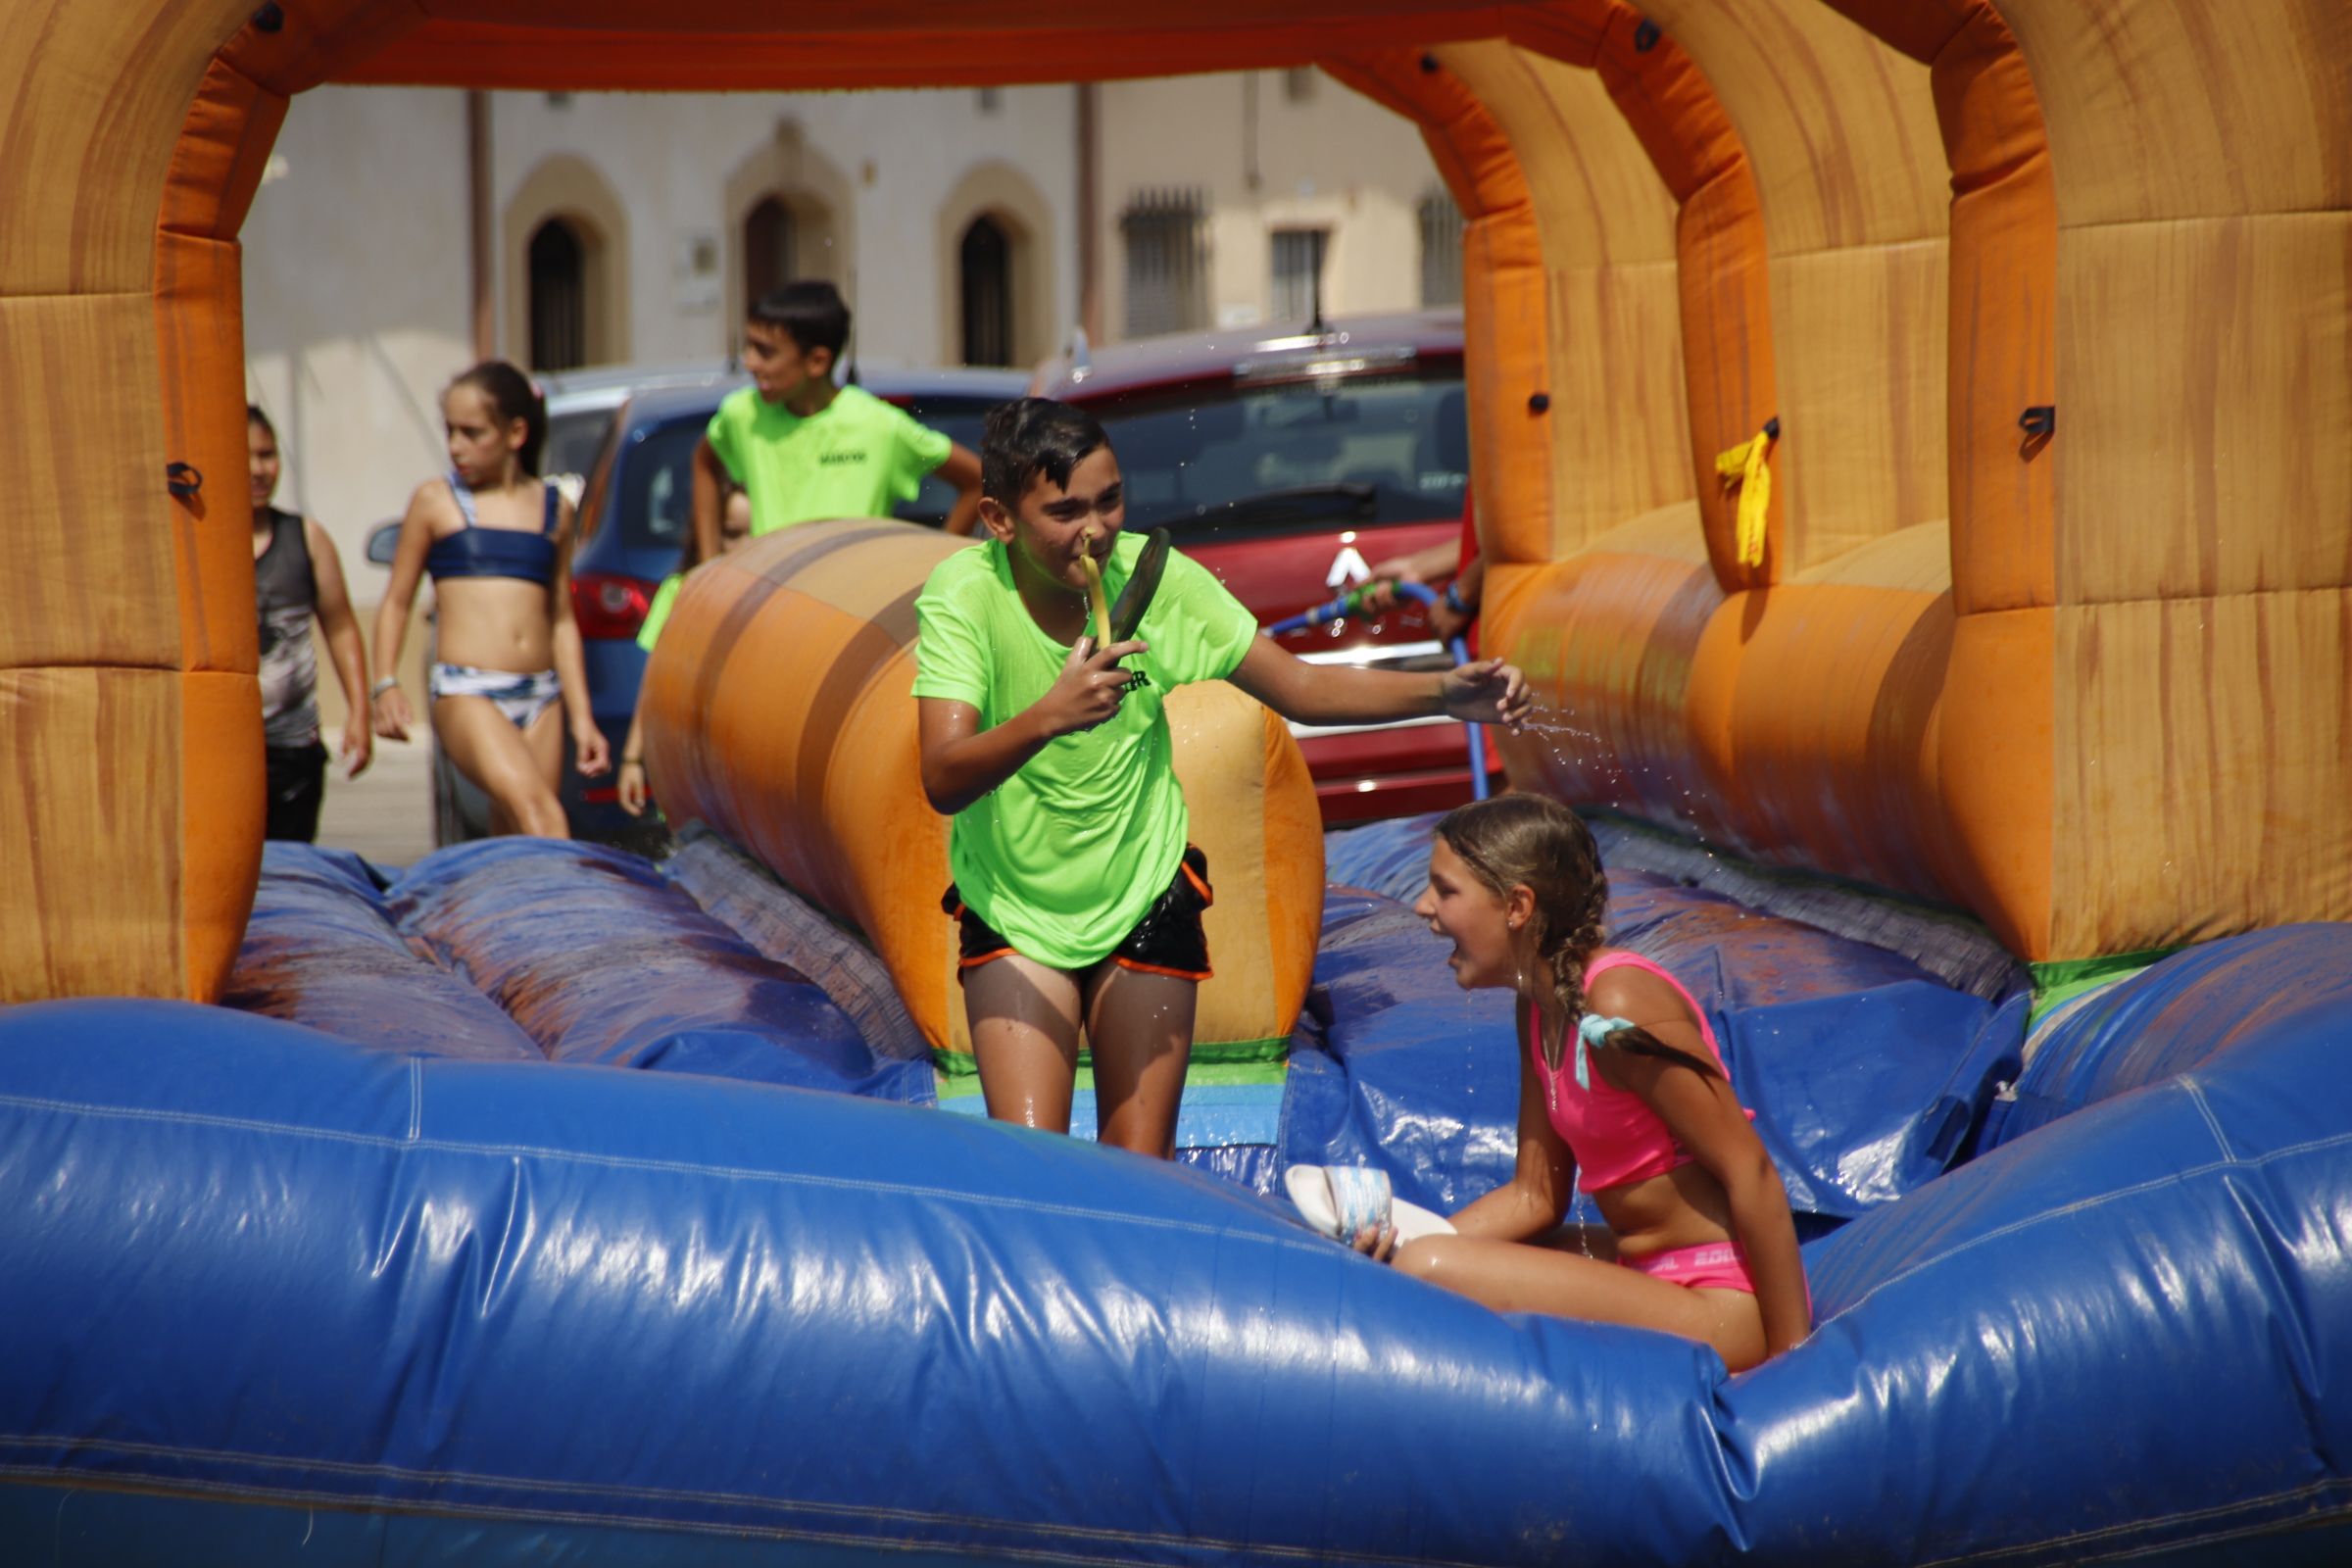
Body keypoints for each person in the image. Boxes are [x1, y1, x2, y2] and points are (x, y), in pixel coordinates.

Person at [913, 398, 1532, 1158]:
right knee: (1042, 1174)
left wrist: (1443, 694)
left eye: (1109, 501)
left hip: (1141, 887)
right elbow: (942, 776)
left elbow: (1302, 687)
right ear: (1000, 520)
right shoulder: (965, 595)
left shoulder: (1156, 578)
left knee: (1140, 1173)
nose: (1097, 529)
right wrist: (1050, 714)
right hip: (1015, 908)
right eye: (1065, 511)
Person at [1370, 794, 1808, 1371]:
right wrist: (1398, 1239)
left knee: (1429, 1269)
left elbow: (1749, 1171)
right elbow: (1536, 1195)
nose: (1424, 907)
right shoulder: (1539, 1008)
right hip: (1644, 1276)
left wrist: (1795, 1360)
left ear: (1517, 905)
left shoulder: (1620, 1001)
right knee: (1438, 1256)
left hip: (1720, 1301)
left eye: (1445, 890)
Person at [369, 362, 610, 837]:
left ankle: (502, 912)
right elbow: (397, 600)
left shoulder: (553, 508)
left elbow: (560, 618)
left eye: (471, 433)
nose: (456, 446)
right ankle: (567, 910)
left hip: (542, 695)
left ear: (516, 432)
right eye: (450, 431)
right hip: (468, 691)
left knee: (514, 833)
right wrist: (385, 683)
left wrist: (583, 719)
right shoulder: (436, 502)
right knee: (542, 817)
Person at [689, 279, 983, 562]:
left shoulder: (879, 426)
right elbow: (704, 462)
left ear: (817, 361)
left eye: (765, 352)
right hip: (772, 602)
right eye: (749, 347)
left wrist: (935, 565)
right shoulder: (742, 414)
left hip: (854, 607)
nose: (749, 363)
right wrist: (708, 563)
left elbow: (978, 480)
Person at [248, 405, 372, 840]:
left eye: (267, 455)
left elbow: (340, 627)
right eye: (244, 456)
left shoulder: (306, 538)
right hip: (223, 749)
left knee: (292, 876)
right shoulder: (197, 544)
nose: (258, 469)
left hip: (293, 750)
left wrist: (360, 710)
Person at [615, 484, 753, 818]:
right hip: (692, 769)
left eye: (757, 530)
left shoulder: (779, 602)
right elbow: (653, 680)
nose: (747, 545)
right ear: (707, 530)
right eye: (733, 534)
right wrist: (633, 759)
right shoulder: (681, 591)